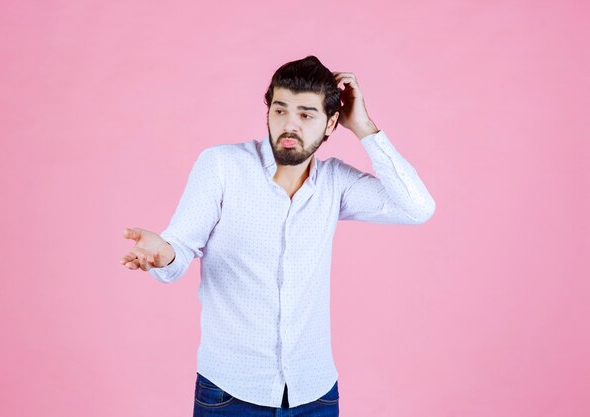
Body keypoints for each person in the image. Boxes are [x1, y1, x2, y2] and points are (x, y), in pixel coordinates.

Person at [120, 55, 436, 416]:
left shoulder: (336, 183)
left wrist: (364, 128)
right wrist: (164, 254)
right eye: (280, 110)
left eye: (306, 115)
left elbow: (417, 208)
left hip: (314, 394)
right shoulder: (222, 166)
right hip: (229, 393)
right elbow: (178, 247)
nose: (289, 125)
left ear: (332, 122)